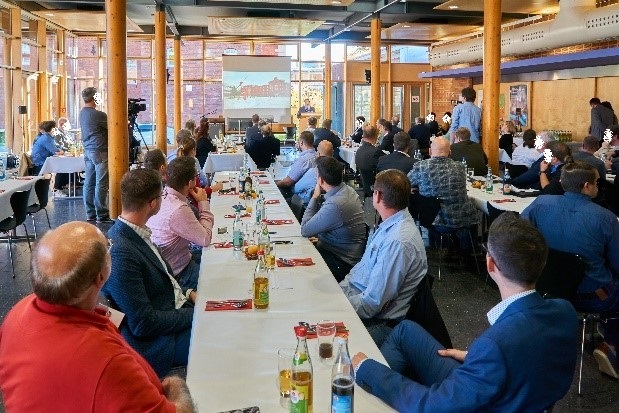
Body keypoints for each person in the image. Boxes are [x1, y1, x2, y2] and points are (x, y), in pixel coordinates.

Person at [352, 213, 578, 412]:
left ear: (490, 264)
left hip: (487, 402)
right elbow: (530, 356)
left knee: (375, 372)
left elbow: (431, 406)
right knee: (405, 330)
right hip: (513, 393)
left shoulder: (496, 344)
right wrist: (474, 357)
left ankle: (359, 391)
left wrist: (368, 369)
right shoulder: (565, 311)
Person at [0, 221, 196, 412]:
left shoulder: (16, 314)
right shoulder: (105, 360)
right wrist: (177, 386)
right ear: (100, 277)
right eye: (108, 247)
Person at [521, 161, 619, 378]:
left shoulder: (540, 204)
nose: (598, 187)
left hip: (547, 288)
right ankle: (611, 345)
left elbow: (521, 237)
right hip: (591, 296)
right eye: (596, 183)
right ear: (586, 186)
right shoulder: (607, 218)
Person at [102, 169, 195, 377]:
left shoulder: (137, 231)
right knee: (228, 337)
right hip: (160, 342)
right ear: (153, 204)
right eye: (161, 196)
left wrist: (188, 293)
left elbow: (165, 279)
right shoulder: (121, 251)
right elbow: (143, 324)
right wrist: (196, 315)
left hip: (174, 309)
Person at [340, 169, 427, 346]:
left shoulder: (398, 241)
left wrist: (338, 305)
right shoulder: (389, 224)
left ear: (378, 196)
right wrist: (339, 291)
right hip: (363, 305)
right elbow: (360, 270)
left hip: (381, 324)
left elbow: (372, 303)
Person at [147, 157, 214, 290]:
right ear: (190, 183)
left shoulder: (163, 194)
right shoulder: (178, 208)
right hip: (178, 273)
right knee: (221, 276)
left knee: (215, 257)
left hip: (172, 259)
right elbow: (205, 238)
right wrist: (203, 202)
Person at [408, 137, 478, 257]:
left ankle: (438, 248)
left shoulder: (421, 167)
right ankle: (467, 254)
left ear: (430, 151)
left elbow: (405, 182)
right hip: (462, 219)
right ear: (450, 152)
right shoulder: (460, 167)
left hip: (435, 221)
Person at [300, 157, 366, 282]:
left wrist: (315, 196)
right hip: (341, 251)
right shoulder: (347, 190)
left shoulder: (336, 204)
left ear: (320, 180)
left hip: (340, 262)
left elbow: (305, 230)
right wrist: (322, 239)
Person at [79, 87, 110, 223]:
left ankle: (90, 213)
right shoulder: (99, 115)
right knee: (101, 183)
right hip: (100, 151)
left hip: (88, 150)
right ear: (93, 98)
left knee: (89, 183)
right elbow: (113, 127)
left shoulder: (82, 113)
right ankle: (102, 214)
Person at [276, 131, 317, 198]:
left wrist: (274, 184)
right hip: (309, 193)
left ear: (301, 143)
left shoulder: (304, 160)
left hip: (295, 194)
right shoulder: (317, 156)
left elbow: (287, 182)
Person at [293, 140, 334, 206]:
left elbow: (296, 188)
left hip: (309, 206)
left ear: (318, 154)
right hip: (330, 204)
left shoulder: (314, 172)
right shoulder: (337, 172)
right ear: (333, 153)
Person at [355, 124, 384, 197]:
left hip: (365, 185)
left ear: (363, 136)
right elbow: (386, 166)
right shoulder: (376, 152)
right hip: (376, 187)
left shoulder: (358, 151)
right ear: (376, 136)